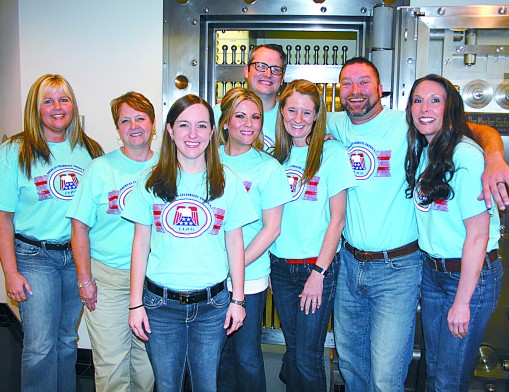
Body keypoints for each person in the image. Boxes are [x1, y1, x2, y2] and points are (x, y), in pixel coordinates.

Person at [327, 57, 509, 392]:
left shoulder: (451, 148)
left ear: (381, 89)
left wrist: (495, 154)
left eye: (364, 82)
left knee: (420, 375)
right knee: (362, 363)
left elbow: (480, 131)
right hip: (377, 267)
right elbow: (296, 119)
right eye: (348, 83)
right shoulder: (421, 144)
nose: (356, 90)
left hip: (421, 270)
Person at [122, 94, 257, 392]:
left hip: (213, 306)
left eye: (200, 126)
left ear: (212, 131)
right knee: (167, 385)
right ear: (169, 130)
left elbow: (235, 244)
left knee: (206, 385)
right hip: (160, 305)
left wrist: (238, 300)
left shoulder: (228, 182)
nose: (192, 135)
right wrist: (135, 304)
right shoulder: (149, 181)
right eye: (183, 125)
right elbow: (140, 245)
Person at [0, 74, 103, 392]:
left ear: (73, 105)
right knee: (40, 347)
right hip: (34, 258)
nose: (57, 107)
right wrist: (10, 272)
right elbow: (3, 219)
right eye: (48, 100)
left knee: (66, 342)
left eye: (64, 99)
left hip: (76, 258)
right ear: (35, 107)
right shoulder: (15, 151)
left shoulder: (89, 150)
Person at [405, 74, 503, 391]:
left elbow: (478, 235)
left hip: (469, 279)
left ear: (451, 108)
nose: (424, 108)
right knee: (436, 369)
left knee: (449, 377)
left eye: (435, 100)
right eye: (418, 100)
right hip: (434, 273)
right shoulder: (424, 151)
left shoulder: (466, 156)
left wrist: (462, 302)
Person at [270, 79, 356, 392]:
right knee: (294, 351)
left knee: (307, 355)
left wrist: (319, 273)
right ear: (281, 112)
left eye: (307, 113)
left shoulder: (332, 153)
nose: (298, 118)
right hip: (280, 268)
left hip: (315, 268)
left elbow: (338, 219)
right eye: (292, 110)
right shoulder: (273, 157)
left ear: (317, 116)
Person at [67, 92, 157, 391]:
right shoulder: (99, 169)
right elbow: (79, 228)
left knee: (147, 365)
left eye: (140, 118)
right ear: (117, 127)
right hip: (107, 281)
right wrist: (85, 281)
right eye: (125, 120)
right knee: (112, 365)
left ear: (153, 124)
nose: (134, 126)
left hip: (151, 282)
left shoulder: (166, 169)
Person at [216, 87, 292, 392]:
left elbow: (271, 229)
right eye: (240, 116)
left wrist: (234, 266)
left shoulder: (268, 167)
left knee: (246, 356)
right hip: (208, 277)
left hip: (248, 277)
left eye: (256, 117)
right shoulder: (206, 160)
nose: (249, 123)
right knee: (217, 356)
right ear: (225, 122)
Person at [214, 44, 287, 150]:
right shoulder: (220, 112)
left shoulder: (290, 118)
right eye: (261, 66)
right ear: (246, 71)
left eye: (276, 69)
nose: (268, 74)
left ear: (282, 78)